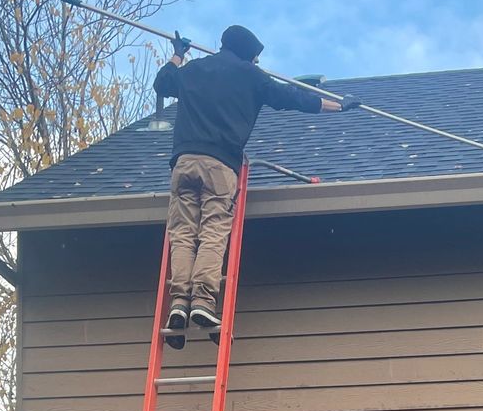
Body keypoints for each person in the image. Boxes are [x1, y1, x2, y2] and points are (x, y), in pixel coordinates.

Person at [152, 24, 357, 345]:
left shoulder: (194, 70)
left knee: (181, 233)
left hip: (184, 162)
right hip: (220, 165)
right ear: (249, 55)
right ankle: (203, 301)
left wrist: (178, 54)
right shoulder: (251, 76)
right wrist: (338, 106)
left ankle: (179, 302)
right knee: (213, 232)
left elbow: (162, 82)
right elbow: (294, 98)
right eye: (257, 59)